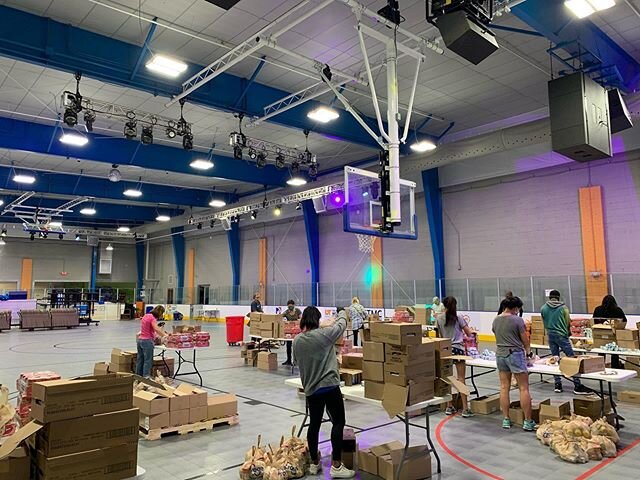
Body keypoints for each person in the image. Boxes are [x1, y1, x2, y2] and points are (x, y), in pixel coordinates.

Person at [292, 307, 355, 479]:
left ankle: (314, 463)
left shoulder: (297, 341)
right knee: (338, 422)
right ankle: (336, 464)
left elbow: (297, 361)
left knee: (314, 424)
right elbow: (341, 326)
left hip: (311, 389)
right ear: (316, 320)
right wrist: (342, 312)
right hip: (329, 386)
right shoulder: (324, 335)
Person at [492, 296, 536, 431]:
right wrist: (529, 353)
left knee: (504, 387)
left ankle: (506, 418)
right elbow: (525, 339)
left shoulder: (496, 319)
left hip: (500, 354)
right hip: (515, 354)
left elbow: (495, 333)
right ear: (516, 307)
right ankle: (528, 421)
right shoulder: (517, 320)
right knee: (523, 388)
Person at [541, 290, 590, 395]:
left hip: (550, 335)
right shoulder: (563, 308)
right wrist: (567, 332)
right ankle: (577, 385)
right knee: (572, 359)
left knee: (555, 359)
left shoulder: (543, 308)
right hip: (562, 336)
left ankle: (557, 385)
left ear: (549, 297)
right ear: (558, 297)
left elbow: (544, 321)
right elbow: (568, 321)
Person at [437, 296, 474, 418]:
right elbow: (469, 333)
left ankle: (449, 405)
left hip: (446, 350)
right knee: (461, 379)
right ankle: (465, 408)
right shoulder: (459, 318)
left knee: (448, 378)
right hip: (458, 349)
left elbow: (440, 335)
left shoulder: (439, 318)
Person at [592, 295, 627, 368]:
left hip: (600, 334)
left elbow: (594, 321)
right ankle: (615, 367)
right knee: (614, 353)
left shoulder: (598, 309)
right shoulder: (617, 310)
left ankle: (600, 367)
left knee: (601, 352)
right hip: (613, 335)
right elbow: (624, 321)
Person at [136, 305, 167, 378]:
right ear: (160, 312)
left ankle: (137, 377)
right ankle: (146, 377)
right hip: (147, 341)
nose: (162, 315)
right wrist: (165, 335)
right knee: (148, 361)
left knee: (140, 360)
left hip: (140, 340)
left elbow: (148, 329)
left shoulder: (146, 316)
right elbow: (156, 329)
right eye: (162, 313)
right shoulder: (152, 318)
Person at [282, 299, 302, 366]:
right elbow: (280, 317)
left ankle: (296, 361)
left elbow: (301, 318)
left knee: (296, 346)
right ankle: (288, 360)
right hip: (289, 332)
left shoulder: (298, 311)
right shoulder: (286, 312)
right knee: (288, 346)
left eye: (291, 306)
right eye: (289, 306)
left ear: (293, 305)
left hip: (297, 331)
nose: (290, 307)